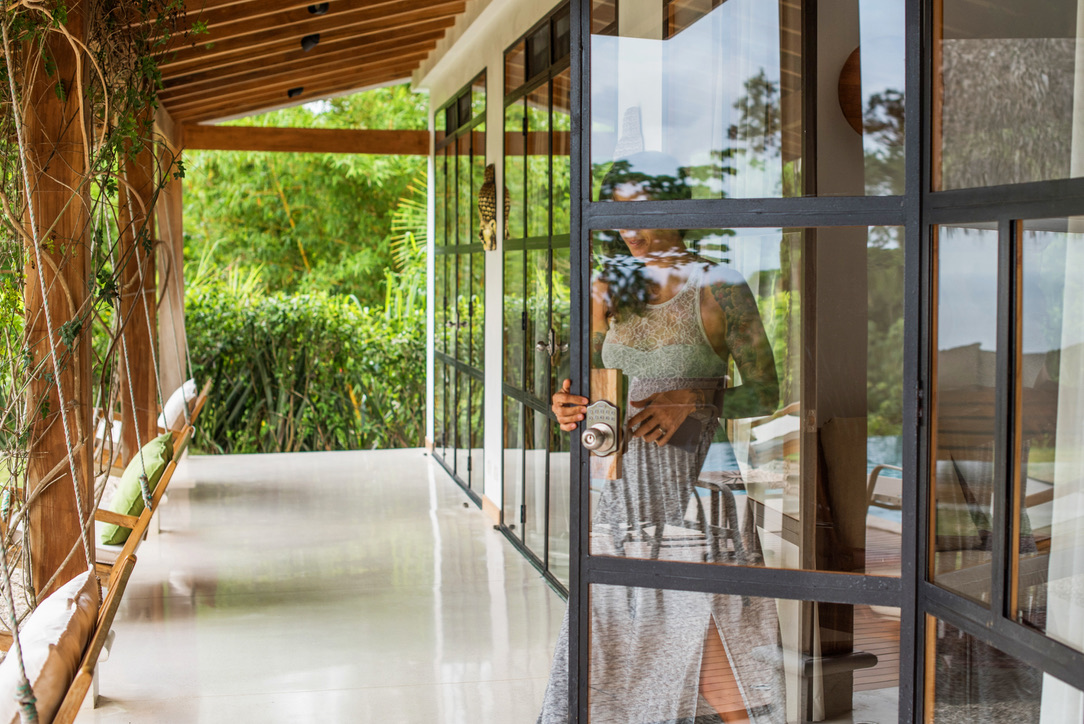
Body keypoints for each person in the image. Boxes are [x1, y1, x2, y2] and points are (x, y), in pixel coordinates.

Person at [537, 152, 785, 724]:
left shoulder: (719, 286)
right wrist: (567, 407)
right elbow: (589, 393)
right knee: (609, 647)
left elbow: (768, 393)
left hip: (695, 497)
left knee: (709, 639)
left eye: (642, 210)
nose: (630, 228)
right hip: (616, 498)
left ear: (677, 207)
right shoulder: (606, 288)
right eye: (617, 213)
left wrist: (695, 398)